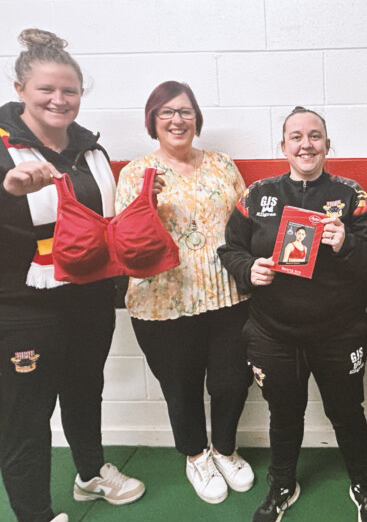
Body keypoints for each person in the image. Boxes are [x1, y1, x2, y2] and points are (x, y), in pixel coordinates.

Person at [0, 29, 144, 522]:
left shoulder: (88, 148)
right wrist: (3, 193)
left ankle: (90, 475)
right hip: (16, 311)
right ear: (21, 88)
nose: (59, 100)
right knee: (26, 418)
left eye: (70, 91)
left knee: (85, 392)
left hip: (86, 300)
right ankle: (35, 515)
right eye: (47, 89)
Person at [218, 107, 367, 522]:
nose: (306, 144)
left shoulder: (352, 196)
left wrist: (346, 240)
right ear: (283, 146)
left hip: (340, 331)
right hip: (273, 332)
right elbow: (230, 249)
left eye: (315, 136)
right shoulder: (258, 195)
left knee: (347, 411)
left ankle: (363, 483)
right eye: (296, 136)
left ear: (327, 145)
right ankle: (282, 483)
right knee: (284, 412)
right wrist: (248, 268)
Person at [115, 81, 254, 505]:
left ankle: (224, 448)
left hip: (227, 294)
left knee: (233, 381)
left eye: (186, 112)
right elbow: (124, 240)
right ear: (152, 122)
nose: (177, 120)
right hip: (162, 300)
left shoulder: (223, 165)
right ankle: (196, 455)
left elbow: (246, 223)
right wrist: (145, 204)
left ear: (197, 119)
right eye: (166, 112)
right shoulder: (137, 173)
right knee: (181, 385)